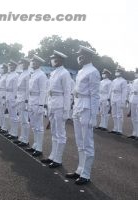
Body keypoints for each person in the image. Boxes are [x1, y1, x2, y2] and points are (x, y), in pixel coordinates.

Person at [65, 45, 100, 185]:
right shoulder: (81, 71)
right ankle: (80, 169)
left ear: (89, 56)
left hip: (86, 108)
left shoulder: (93, 72)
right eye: (78, 54)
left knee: (87, 143)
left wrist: (93, 116)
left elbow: (95, 96)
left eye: (81, 55)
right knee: (80, 142)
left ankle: (86, 174)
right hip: (78, 106)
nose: (78, 57)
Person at [41, 50, 71, 168]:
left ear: (60, 60)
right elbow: (49, 91)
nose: (52, 60)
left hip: (60, 104)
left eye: (55, 58)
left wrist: (66, 110)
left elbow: (67, 93)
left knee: (60, 134)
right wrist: (46, 105)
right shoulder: (53, 73)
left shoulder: (65, 73)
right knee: (54, 132)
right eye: (52, 58)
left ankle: (58, 159)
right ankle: (52, 156)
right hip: (52, 104)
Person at [25, 55, 47, 157]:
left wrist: (41, 105)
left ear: (39, 64)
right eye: (32, 61)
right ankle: (35, 145)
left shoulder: (41, 75)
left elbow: (43, 91)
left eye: (35, 62)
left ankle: (39, 148)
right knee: (33, 125)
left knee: (39, 126)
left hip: (37, 101)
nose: (32, 63)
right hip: (31, 101)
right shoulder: (33, 74)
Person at [13, 58, 31, 147]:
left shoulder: (28, 74)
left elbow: (28, 89)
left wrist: (27, 101)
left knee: (25, 120)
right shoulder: (22, 74)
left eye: (23, 63)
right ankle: (22, 138)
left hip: (24, 99)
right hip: (20, 98)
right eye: (21, 63)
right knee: (21, 119)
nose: (21, 65)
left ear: (27, 64)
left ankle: (26, 140)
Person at [109, 66, 127, 135]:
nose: (116, 72)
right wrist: (110, 99)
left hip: (119, 97)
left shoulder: (123, 81)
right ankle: (115, 128)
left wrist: (123, 102)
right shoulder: (114, 80)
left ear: (121, 72)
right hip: (113, 97)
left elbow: (124, 92)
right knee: (114, 114)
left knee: (119, 115)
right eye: (116, 71)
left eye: (118, 71)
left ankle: (119, 130)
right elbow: (111, 90)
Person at [5, 60, 19, 140]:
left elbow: (15, 89)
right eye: (9, 66)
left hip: (12, 98)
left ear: (15, 67)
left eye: (12, 66)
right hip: (8, 96)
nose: (10, 67)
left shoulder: (16, 76)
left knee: (14, 116)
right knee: (10, 116)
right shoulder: (10, 75)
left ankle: (15, 133)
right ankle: (11, 132)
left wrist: (14, 99)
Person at [127, 68, 138, 140]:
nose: (136, 73)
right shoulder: (134, 81)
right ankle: (135, 133)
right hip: (134, 98)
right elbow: (131, 91)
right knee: (133, 117)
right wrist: (129, 99)